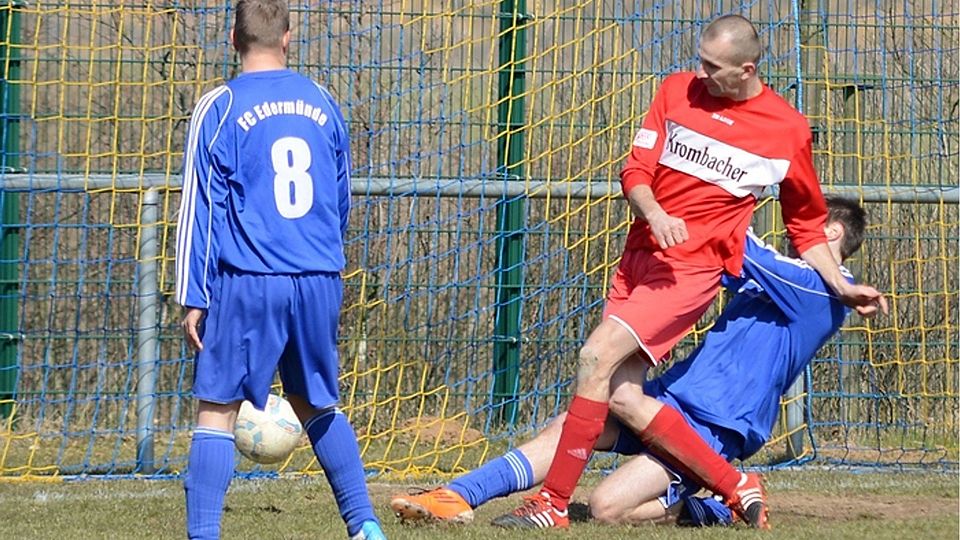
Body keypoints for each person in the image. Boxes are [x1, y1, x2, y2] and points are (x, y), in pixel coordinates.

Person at [469, 14, 887, 529]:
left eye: (713, 67)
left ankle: (555, 503)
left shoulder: (787, 135)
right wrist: (656, 213)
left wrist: (841, 287)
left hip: (694, 295)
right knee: (613, 398)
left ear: (746, 69)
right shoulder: (676, 91)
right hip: (644, 269)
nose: (701, 74)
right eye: (700, 61)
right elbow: (635, 170)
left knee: (595, 362)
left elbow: (802, 226)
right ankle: (459, 494)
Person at [390, 195, 869, 529]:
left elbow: (736, 242)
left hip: (716, 426)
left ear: (831, 231)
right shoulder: (789, 279)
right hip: (671, 398)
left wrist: (705, 191)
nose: (792, 228)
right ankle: (459, 494)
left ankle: (717, 506)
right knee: (572, 424)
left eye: (804, 221)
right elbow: (710, 263)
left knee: (607, 508)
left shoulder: (824, 289)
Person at [174, 2, 385, 539]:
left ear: (233, 38)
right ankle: (365, 526)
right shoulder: (323, 101)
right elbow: (340, 196)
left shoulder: (220, 105)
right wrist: (321, 261)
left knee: (217, 409)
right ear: (287, 37)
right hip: (318, 275)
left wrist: (193, 293)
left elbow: (201, 209)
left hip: (249, 277)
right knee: (317, 402)